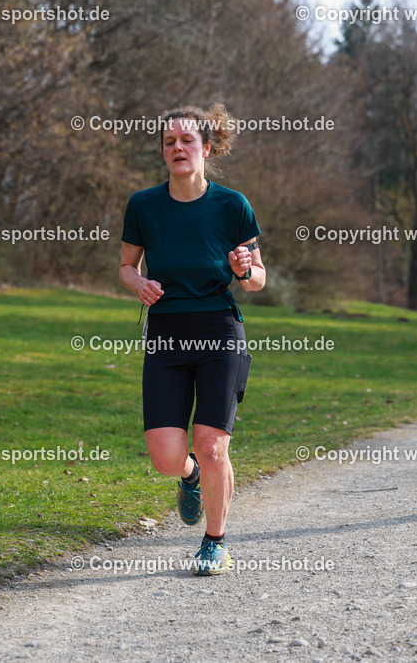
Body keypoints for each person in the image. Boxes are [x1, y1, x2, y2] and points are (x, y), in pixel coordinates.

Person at [119, 103, 265, 575]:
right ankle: (191, 476)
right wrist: (139, 284)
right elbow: (126, 266)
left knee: (212, 442)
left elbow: (257, 279)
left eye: (187, 140)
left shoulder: (232, 205)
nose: (177, 147)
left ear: (207, 146)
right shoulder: (144, 205)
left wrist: (244, 269)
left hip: (219, 330)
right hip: (166, 334)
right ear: (163, 151)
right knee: (166, 457)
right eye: (169, 141)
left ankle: (215, 541)